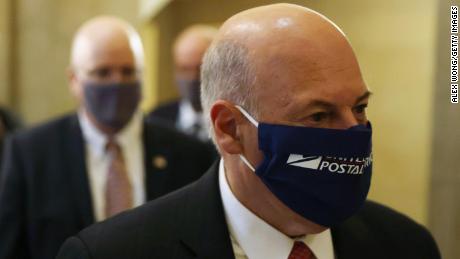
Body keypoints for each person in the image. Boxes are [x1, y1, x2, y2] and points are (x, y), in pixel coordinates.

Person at [57, 4, 441, 259]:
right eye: (319, 117)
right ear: (229, 129)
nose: (352, 134)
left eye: (359, 108)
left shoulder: (407, 246)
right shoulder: (112, 253)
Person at [0, 16, 215, 259]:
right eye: (102, 72)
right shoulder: (30, 154)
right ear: (74, 80)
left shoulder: (191, 153)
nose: (117, 82)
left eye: (128, 71)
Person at [147, 25, 217, 142]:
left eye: (200, 68)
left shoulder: (235, 122)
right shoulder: (156, 119)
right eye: (184, 69)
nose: (192, 78)